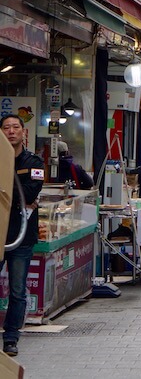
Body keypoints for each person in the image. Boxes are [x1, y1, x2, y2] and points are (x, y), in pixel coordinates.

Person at [1, 115, 44, 357]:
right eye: (6, 128)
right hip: (0, 234)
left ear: (22, 131)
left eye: (15, 127)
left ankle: (10, 337)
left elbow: (30, 191)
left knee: (17, 290)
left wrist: (7, 182)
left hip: (22, 236)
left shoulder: (34, 161)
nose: (11, 132)